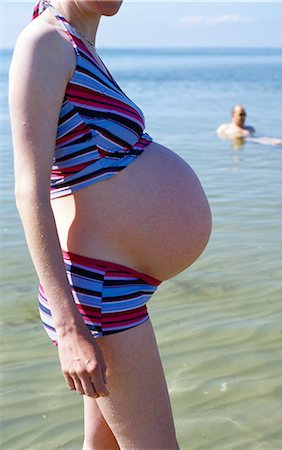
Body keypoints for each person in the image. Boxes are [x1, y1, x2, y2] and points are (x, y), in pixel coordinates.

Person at [8, 0, 212, 448]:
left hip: (110, 283)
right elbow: (29, 190)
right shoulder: (44, 42)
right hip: (97, 292)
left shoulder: (78, 43)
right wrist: (69, 328)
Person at [216, 104, 282, 147]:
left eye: (244, 114)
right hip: (239, 140)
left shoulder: (250, 129)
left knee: (276, 142)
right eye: (240, 114)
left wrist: (278, 140)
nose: (243, 117)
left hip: (253, 140)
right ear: (233, 115)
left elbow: (259, 137)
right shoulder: (225, 128)